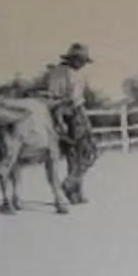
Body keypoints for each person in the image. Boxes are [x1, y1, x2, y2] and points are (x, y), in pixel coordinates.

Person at [37, 42, 100, 205]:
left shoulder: (70, 73)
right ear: (73, 59)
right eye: (80, 60)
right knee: (79, 153)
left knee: (85, 153)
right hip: (68, 113)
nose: (82, 64)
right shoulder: (62, 73)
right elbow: (55, 97)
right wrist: (62, 114)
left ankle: (73, 188)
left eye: (83, 61)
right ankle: (71, 188)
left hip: (76, 112)